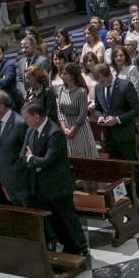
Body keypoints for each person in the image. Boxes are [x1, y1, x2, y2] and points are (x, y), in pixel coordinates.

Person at [21, 103, 88, 255]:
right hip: (41, 185)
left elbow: (47, 160)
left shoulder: (54, 133)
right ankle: (67, 245)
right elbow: (22, 154)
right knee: (55, 220)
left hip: (58, 185)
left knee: (68, 218)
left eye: (26, 117)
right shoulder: (31, 131)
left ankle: (81, 247)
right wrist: (31, 159)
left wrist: (31, 158)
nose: (24, 121)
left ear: (36, 117)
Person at [92, 63, 139, 196]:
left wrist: (118, 119)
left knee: (132, 166)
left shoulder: (125, 85)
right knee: (116, 168)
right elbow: (98, 109)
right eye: (99, 81)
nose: (102, 84)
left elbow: (136, 109)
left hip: (124, 134)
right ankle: (123, 197)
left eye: (103, 80)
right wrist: (100, 118)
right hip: (109, 135)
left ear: (109, 75)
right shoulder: (98, 87)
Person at [0, 91, 30, 206]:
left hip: (22, 181)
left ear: (1, 107)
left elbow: (28, 151)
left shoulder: (19, 123)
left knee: (32, 214)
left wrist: (18, 170)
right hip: (6, 180)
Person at [57, 63, 99, 158]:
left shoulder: (81, 91)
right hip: (66, 127)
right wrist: (64, 128)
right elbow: (60, 111)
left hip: (79, 128)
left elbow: (83, 113)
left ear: (72, 75)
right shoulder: (61, 90)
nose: (61, 76)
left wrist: (74, 129)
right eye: (61, 73)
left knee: (83, 155)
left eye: (64, 74)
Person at [15, 36, 51, 103]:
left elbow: (45, 81)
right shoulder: (21, 62)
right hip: (27, 98)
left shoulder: (43, 61)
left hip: (41, 98)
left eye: (26, 47)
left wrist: (33, 93)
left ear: (33, 47)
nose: (23, 50)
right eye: (22, 48)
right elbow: (19, 79)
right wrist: (24, 93)